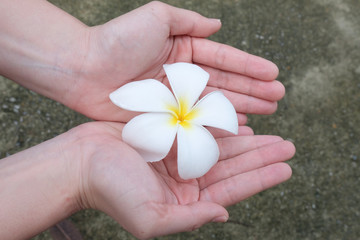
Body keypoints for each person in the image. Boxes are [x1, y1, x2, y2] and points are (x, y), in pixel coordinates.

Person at [0, 1, 295, 239]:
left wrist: (85, 55)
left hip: (183, 115)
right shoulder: (173, 88)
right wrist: (79, 172)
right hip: (177, 114)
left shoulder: (188, 87)